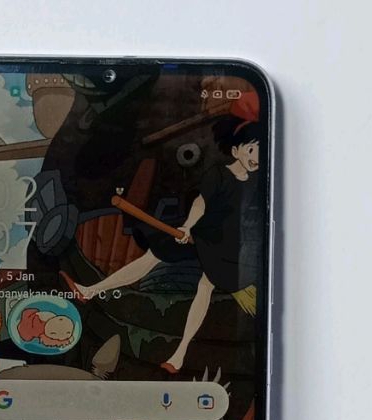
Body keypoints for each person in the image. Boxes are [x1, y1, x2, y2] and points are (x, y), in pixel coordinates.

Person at [62, 92, 265, 374]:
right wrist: (188, 227)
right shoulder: (219, 175)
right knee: (152, 257)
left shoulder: (257, 181)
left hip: (228, 244)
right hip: (201, 232)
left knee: (205, 287)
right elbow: (201, 203)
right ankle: (89, 290)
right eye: (251, 150)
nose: (256, 157)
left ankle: (179, 355)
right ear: (236, 150)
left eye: (259, 151)